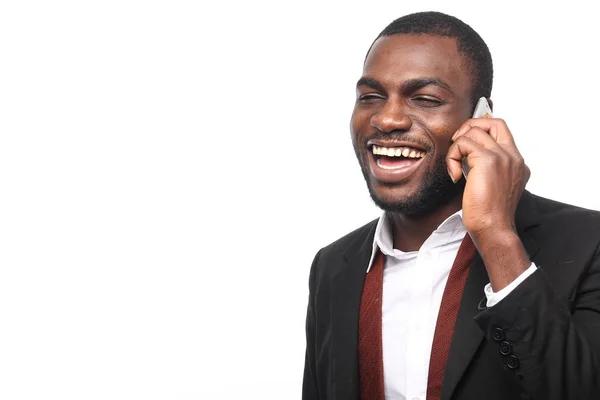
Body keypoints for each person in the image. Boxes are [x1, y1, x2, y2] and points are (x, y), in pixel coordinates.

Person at [302, 11, 600, 400]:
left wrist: (496, 235)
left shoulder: (588, 244)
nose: (387, 118)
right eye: (370, 97)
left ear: (480, 118)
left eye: (425, 99)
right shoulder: (332, 267)